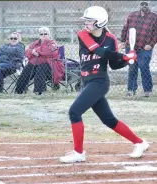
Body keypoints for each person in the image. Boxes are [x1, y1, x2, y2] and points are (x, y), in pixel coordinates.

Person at [59, 6, 150, 163]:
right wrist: (125, 55)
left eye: (89, 21)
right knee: (109, 120)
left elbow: (114, 65)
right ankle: (140, 143)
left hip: (99, 82)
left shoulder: (111, 39)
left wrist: (128, 61)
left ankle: (79, 153)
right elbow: (100, 52)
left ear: (99, 23)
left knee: (74, 112)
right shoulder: (83, 35)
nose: (86, 23)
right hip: (87, 82)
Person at [120, 1, 157, 97]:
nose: (144, 6)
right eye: (142, 4)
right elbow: (125, 28)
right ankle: (131, 89)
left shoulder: (154, 17)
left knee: (144, 67)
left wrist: (151, 44)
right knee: (132, 68)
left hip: (145, 47)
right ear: (139, 5)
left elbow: (156, 33)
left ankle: (147, 90)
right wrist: (123, 41)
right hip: (130, 47)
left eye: (146, 4)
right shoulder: (132, 15)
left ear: (149, 5)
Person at [15, 26, 64, 95]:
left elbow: (49, 52)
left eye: (45, 34)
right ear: (39, 35)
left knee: (40, 68)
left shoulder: (52, 43)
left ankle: (39, 92)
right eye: (41, 34)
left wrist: (36, 50)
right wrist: (32, 52)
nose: (43, 35)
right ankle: (19, 91)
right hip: (34, 64)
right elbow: (27, 52)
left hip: (50, 67)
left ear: (49, 35)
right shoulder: (35, 43)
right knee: (27, 69)